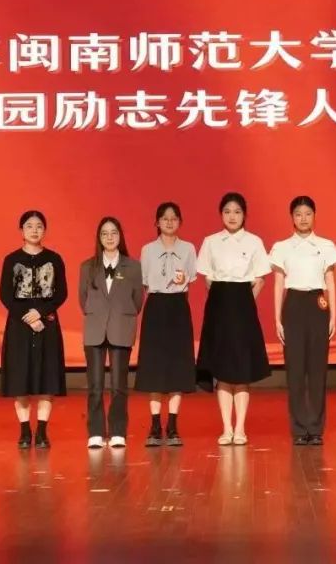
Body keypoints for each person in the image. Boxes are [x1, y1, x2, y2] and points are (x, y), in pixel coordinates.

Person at [196, 192, 272, 446]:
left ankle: (240, 428)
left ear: (244, 215)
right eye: (227, 211)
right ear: (221, 214)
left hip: (243, 308)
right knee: (222, 370)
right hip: (218, 307)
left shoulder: (254, 241)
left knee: (241, 370)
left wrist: (244, 300)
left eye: (237, 212)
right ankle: (226, 428)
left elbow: (260, 278)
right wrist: (223, 299)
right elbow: (207, 279)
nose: (232, 216)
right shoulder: (210, 242)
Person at [270, 195, 336, 446]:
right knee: (296, 369)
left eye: (308, 214)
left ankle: (316, 427)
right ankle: (300, 428)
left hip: (318, 304)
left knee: (318, 369)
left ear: (314, 216)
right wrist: (277, 319)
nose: (303, 218)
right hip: (294, 304)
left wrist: (334, 316)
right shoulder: (282, 247)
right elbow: (278, 284)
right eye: (298, 214)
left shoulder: (326, 245)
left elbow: (330, 281)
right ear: (292, 217)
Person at [0, 211, 68, 449]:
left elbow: (61, 293)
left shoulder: (54, 259)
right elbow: (5, 295)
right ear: (21, 230)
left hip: (47, 323)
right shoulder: (11, 260)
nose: (34, 230)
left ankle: (42, 431)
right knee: (21, 378)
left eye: (39, 226)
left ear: (44, 230)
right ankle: (25, 431)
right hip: (19, 326)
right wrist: (27, 317)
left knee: (47, 378)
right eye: (29, 226)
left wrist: (40, 312)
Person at [135, 202, 198, 447]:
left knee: (177, 366)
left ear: (180, 221)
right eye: (164, 218)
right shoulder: (147, 250)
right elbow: (144, 283)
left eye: (174, 218)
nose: (169, 222)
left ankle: (172, 425)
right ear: (157, 222)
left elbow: (190, 281)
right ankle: (154, 425)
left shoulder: (188, 248)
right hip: (156, 306)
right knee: (154, 366)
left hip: (179, 306)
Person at [78, 217, 143, 449]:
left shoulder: (133, 267)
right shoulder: (88, 266)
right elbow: (83, 299)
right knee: (95, 386)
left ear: (120, 236)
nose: (109, 237)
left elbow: (138, 300)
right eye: (104, 233)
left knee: (118, 385)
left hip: (121, 328)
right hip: (95, 330)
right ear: (99, 237)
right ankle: (96, 432)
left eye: (114, 232)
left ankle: (117, 431)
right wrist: (99, 314)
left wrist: (121, 315)